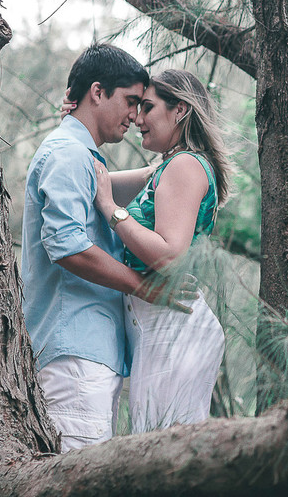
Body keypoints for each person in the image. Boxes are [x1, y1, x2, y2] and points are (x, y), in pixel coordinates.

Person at [21, 43, 189, 451]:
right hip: (75, 357)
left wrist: (181, 157)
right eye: (131, 102)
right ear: (98, 92)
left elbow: (130, 182)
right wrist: (141, 285)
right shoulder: (68, 155)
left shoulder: (81, 156)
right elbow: (68, 247)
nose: (135, 116)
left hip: (85, 356)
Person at [91, 69, 231, 431]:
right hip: (162, 325)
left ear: (180, 110)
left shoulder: (185, 165)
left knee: (163, 452)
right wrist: (79, 121)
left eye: (148, 107)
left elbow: (170, 256)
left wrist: (112, 210)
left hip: (174, 326)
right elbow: (95, 179)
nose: (138, 118)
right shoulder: (167, 168)